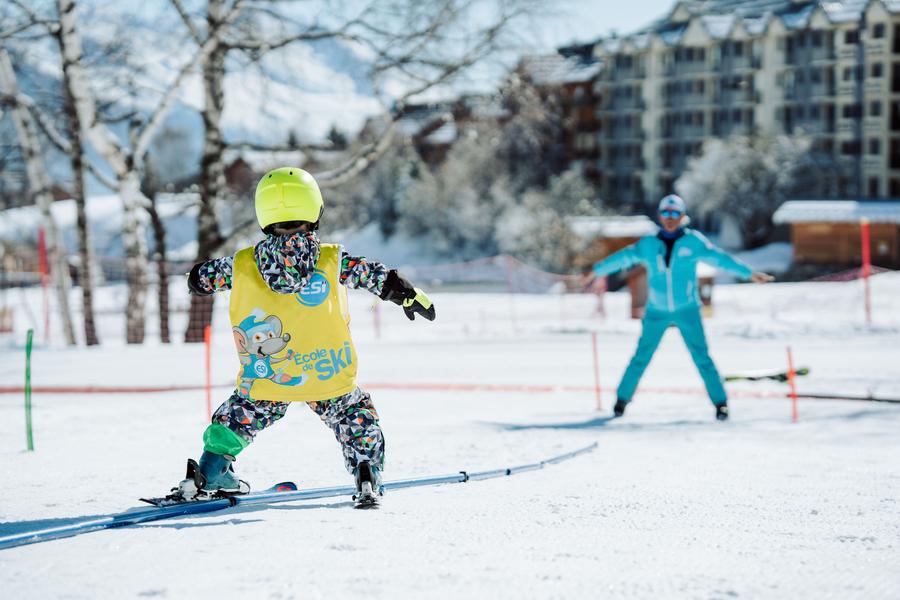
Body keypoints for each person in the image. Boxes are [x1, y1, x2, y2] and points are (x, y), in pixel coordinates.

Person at [174, 167, 435, 507]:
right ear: (315, 209)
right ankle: (366, 469)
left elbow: (201, 278)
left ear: (264, 215)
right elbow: (376, 277)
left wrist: (196, 276)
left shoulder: (239, 266)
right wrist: (408, 294)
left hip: (269, 377)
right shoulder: (333, 260)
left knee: (238, 417)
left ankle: (211, 470)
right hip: (328, 374)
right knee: (354, 415)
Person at [592, 195, 773, 421]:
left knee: (701, 357)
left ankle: (720, 403)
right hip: (656, 311)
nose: (670, 218)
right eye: (666, 213)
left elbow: (720, 258)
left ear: (682, 216)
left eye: (674, 213)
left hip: (687, 309)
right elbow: (624, 257)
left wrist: (748, 273)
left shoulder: (693, 242)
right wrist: (597, 270)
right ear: (660, 216)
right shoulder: (648, 244)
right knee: (641, 357)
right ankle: (621, 400)